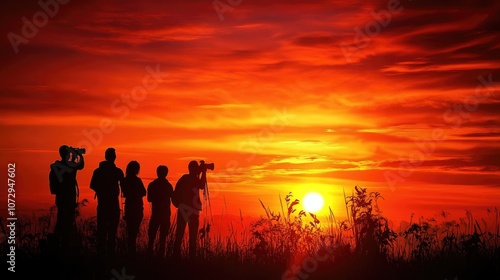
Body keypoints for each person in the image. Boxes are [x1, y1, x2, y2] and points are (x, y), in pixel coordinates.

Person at [49, 145, 85, 255]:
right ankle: (64, 247)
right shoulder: (69, 166)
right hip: (68, 199)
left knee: (61, 222)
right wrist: (78, 154)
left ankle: (58, 246)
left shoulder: (57, 167)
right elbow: (81, 165)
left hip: (62, 199)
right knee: (67, 223)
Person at [89, 147, 124, 259]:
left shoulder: (99, 171)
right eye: (113, 155)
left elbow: (93, 185)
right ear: (113, 157)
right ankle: (109, 256)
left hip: (104, 204)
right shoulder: (117, 171)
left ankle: (103, 256)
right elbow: (124, 186)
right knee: (110, 232)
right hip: (110, 205)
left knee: (103, 232)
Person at [172, 160, 206, 259]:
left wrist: (178, 205)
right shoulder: (193, 179)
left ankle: (176, 256)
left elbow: (176, 193)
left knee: (179, 234)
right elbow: (202, 185)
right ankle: (192, 257)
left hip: (183, 209)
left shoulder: (183, 178)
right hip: (193, 211)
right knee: (193, 237)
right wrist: (203, 172)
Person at [147, 165, 174, 258]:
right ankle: (160, 258)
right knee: (162, 239)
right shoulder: (169, 186)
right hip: (165, 215)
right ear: (166, 173)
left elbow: (149, 199)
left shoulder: (152, 185)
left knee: (151, 238)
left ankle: (149, 257)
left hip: (155, 215)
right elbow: (174, 200)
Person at [121, 160, 146, 257]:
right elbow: (144, 192)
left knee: (131, 232)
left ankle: (131, 253)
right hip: (137, 208)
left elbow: (125, 192)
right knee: (133, 233)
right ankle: (132, 253)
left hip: (130, 208)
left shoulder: (124, 180)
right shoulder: (137, 180)